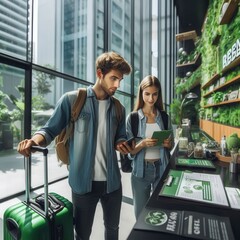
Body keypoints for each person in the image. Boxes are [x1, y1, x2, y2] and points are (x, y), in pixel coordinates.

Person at [17, 51, 133, 240]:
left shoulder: (119, 108)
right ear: (99, 73)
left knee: (113, 229)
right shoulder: (73, 100)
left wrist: (122, 143)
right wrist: (33, 141)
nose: (117, 85)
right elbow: (49, 130)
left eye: (120, 80)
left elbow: (119, 137)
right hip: (82, 184)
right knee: (82, 234)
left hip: (112, 183)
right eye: (113, 78)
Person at [126, 75, 174, 219]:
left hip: (162, 168)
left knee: (161, 212)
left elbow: (170, 145)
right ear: (141, 93)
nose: (151, 99)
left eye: (154, 94)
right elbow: (130, 153)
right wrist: (143, 144)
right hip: (141, 172)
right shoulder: (133, 118)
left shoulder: (164, 117)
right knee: (141, 215)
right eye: (147, 94)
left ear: (158, 95)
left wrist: (168, 144)